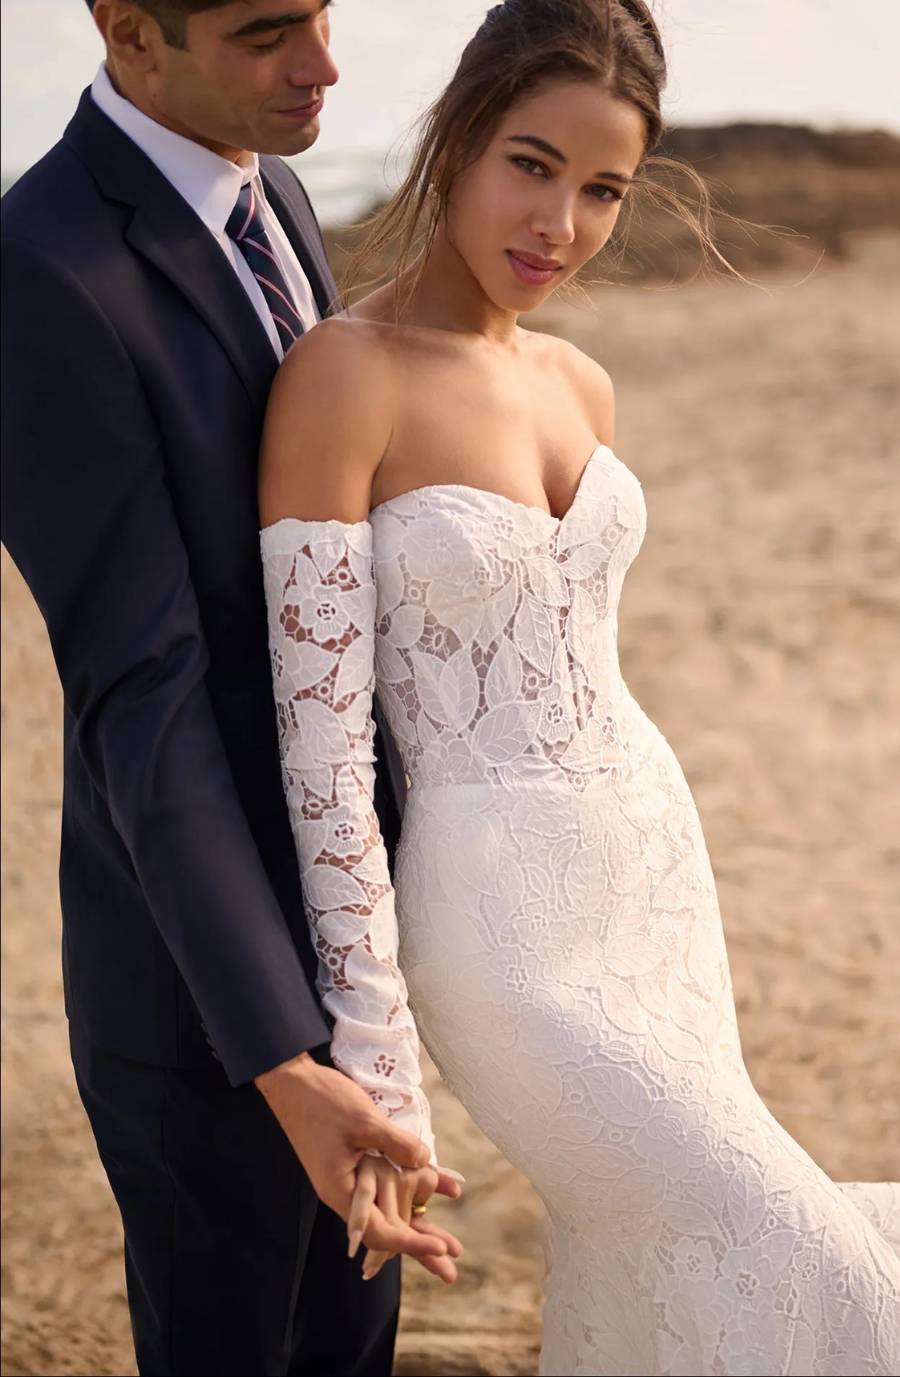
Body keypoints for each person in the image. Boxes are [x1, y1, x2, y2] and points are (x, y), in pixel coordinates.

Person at [257, 1, 900, 1373]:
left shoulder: (581, 386)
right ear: (457, 137)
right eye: (532, 166)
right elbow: (320, 756)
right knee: (769, 1228)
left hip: (655, 879)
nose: (562, 222)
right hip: (500, 930)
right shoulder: (341, 378)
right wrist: (380, 1055)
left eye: (604, 188)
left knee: (661, 1259)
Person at [0, 3, 462, 1375]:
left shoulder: (281, 193)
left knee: (353, 1351)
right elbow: (140, 695)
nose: (324, 69)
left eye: (325, 16)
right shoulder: (40, 269)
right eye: (270, 33)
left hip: (351, 947)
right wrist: (281, 1061)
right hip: (207, 1009)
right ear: (130, 31)